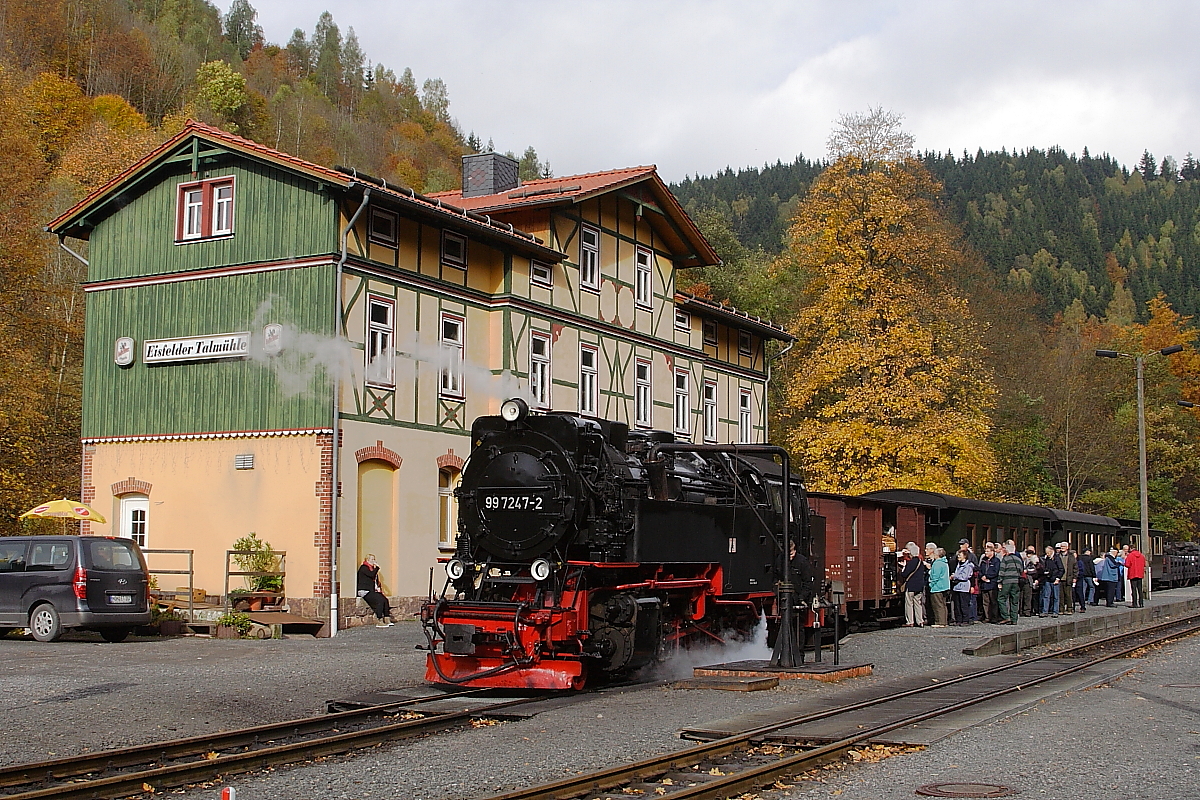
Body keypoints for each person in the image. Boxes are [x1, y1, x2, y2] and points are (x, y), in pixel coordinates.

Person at [357, 554, 393, 627]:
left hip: (372, 590)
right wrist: (377, 568)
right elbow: (371, 575)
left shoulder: (372, 569)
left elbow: (375, 580)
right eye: (372, 559)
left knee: (384, 599)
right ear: (367, 560)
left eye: (374, 559)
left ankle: (387, 618)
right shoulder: (364, 568)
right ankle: (379, 620)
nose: (374, 561)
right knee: (379, 600)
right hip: (364, 591)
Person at [899, 542, 928, 627]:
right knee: (918, 603)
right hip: (920, 586)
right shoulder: (920, 562)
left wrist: (903, 567)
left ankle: (910, 621)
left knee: (909, 604)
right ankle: (920, 621)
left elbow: (904, 574)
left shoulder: (911, 563)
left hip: (911, 586)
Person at [997, 542, 1024, 625]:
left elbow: (1002, 571)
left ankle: (1006, 616)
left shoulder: (1005, 559)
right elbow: (1021, 571)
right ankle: (1014, 619)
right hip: (1016, 582)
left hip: (1006, 581)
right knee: (1014, 601)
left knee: (1001, 598)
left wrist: (999, 581)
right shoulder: (1019, 559)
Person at [951, 550, 976, 625]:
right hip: (957, 587)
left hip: (964, 587)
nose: (958, 556)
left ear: (964, 556)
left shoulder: (968, 565)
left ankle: (965, 620)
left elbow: (964, 576)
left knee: (964, 604)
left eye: (960, 555)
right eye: (958, 555)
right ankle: (959, 619)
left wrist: (954, 576)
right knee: (957, 605)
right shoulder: (958, 564)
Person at [978, 543, 1001, 623]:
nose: (986, 553)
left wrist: (987, 576)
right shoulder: (984, 560)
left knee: (993, 601)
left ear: (992, 552)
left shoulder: (996, 561)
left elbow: (996, 571)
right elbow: (980, 570)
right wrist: (982, 577)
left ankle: (994, 617)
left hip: (992, 583)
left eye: (987, 551)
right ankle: (987, 617)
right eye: (985, 551)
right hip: (984, 584)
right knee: (985, 602)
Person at [928, 547, 950, 627]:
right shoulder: (944, 563)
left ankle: (939, 622)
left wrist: (931, 584)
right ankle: (944, 621)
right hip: (945, 586)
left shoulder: (937, 563)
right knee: (943, 605)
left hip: (937, 587)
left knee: (937, 605)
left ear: (937, 555)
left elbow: (935, 577)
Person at [1039, 545, 1063, 617]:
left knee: (1056, 596)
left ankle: (1055, 611)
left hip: (1055, 579)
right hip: (1048, 579)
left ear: (1051, 551)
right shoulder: (1047, 559)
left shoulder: (1057, 558)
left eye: (1048, 552)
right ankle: (1045, 611)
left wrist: (1058, 578)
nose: (1047, 554)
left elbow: (1061, 569)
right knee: (1046, 595)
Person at [1057, 542, 1078, 614]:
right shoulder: (1057, 556)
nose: (1062, 548)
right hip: (1059, 578)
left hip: (1068, 578)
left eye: (1063, 546)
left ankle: (1069, 609)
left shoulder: (1071, 557)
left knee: (1068, 595)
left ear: (1067, 547)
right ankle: (1061, 609)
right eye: (1061, 546)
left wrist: (1075, 577)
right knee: (1060, 595)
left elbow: (1075, 568)